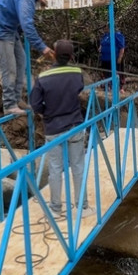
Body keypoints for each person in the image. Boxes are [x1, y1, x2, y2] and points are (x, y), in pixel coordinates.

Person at [29, 40, 92, 219]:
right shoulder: (76, 72)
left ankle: (56, 208)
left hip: (53, 128)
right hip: (75, 126)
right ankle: (82, 207)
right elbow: (79, 90)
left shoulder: (43, 77)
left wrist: (45, 113)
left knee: (55, 168)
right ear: (71, 56)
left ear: (54, 54)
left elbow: (34, 104)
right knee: (78, 166)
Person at [0, 0, 57, 114]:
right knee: (9, 68)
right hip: (0, 28)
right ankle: (9, 105)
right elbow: (27, 26)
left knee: (22, 61)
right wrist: (43, 47)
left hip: (9, 27)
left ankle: (16, 99)